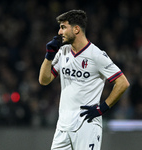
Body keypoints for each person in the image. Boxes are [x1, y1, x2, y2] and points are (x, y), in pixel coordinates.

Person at [39, 9, 130, 150]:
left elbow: (122, 82)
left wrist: (102, 108)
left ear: (76, 29)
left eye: (63, 27)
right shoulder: (63, 52)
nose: (59, 32)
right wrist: (49, 56)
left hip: (86, 124)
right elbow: (44, 80)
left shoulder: (96, 55)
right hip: (63, 125)